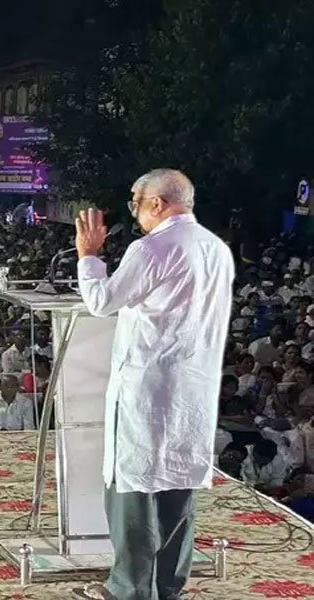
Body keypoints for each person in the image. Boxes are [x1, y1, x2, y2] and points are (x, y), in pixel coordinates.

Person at [74, 170, 234, 600]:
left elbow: (102, 301)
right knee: (177, 491)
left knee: (134, 491)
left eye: (135, 200)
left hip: (147, 388)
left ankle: (129, 589)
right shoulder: (217, 250)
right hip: (192, 388)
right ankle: (167, 586)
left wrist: (89, 256)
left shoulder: (152, 248)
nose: (133, 209)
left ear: (158, 203)